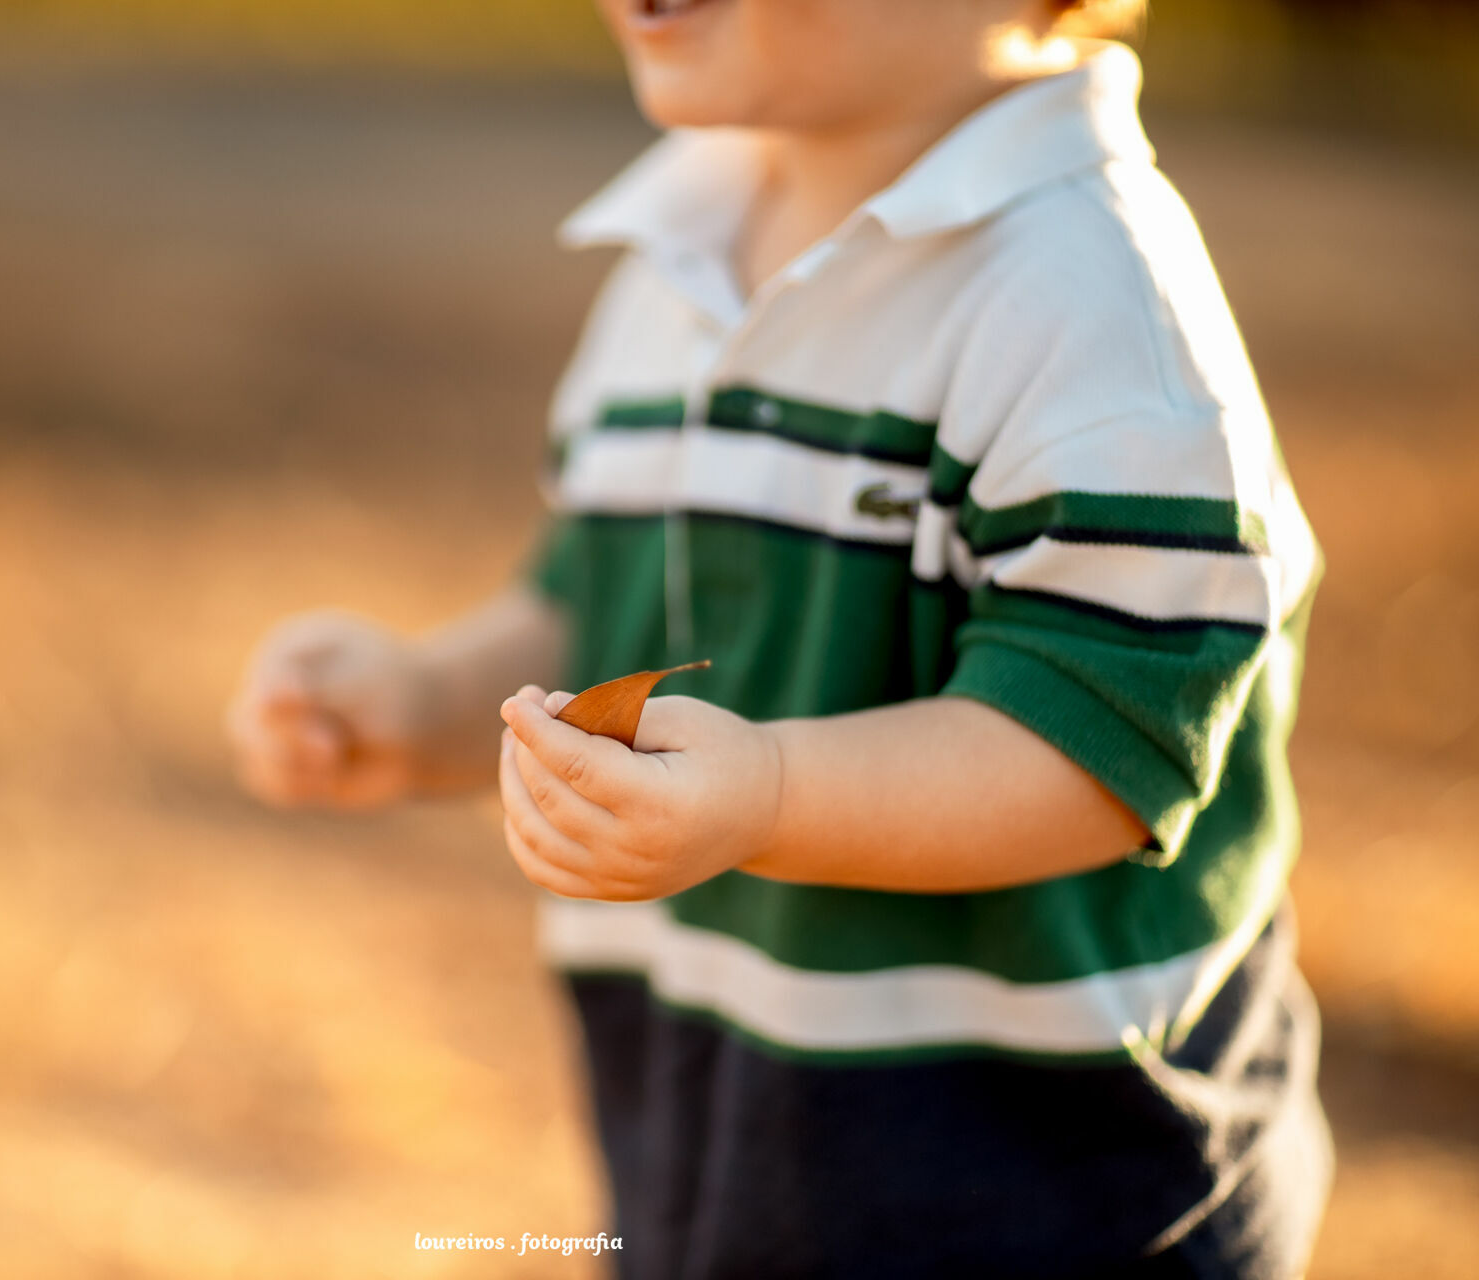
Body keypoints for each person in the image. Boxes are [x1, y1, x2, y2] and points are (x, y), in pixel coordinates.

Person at [226, 0, 1332, 1274]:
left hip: (1046, 1193)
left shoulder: (1092, 297)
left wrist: (769, 794)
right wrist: (427, 699)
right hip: (737, 1156)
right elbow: (597, 593)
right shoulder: (677, 248)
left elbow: (1091, 740)